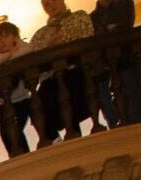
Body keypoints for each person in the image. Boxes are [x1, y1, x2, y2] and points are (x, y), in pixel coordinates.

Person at [30, 0, 97, 143]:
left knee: (69, 88)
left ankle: (74, 134)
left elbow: (87, 37)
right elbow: (34, 56)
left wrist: (64, 40)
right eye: (46, 4)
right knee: (36, 104)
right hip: (51, 78)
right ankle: (56, 141)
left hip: (77, 70)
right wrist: (51, 45)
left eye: (53, 1)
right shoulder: (39, 34)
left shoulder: (79, 17)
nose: (51, 6)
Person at [92, 0, 141, 129]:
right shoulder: (92, 18)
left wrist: (106, 32)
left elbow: (125, 27)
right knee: (114, 117)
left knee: (135, 112)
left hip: (126, 61)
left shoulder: (125, 4)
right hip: (105, 71)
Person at [0, 22, 36, 156]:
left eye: (6, 36)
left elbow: (28, 50)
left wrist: (14, 51)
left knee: (15, 131)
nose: (2, 42)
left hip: (22, 100)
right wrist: (8, 55)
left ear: (15, 37)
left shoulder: (23, 48)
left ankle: (25, 157)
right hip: (5, 103)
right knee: (6, 135)